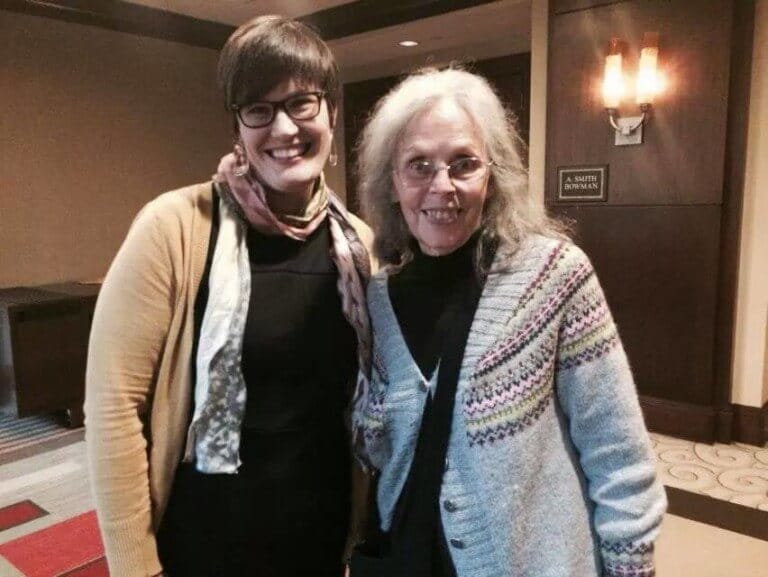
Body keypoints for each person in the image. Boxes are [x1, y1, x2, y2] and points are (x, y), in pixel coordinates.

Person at [85, 15, 373, 577]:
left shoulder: (359, 247)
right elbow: (113, 405)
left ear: (332, 112)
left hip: (318, 536)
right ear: (237, 126)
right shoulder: (174, 228)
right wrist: (135, 566)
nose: (284, 128)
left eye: (302, 103)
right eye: (258, 109)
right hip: (203, 543)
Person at [350, 67, 667, 577]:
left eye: (464, 163)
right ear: (392, 183)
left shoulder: (555, 277)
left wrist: (631, 566)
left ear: (493, 175)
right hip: (402, 556)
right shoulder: (379, 298)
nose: (442, 186)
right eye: (418, 166)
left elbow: (616, 449)